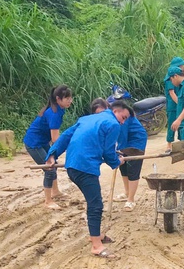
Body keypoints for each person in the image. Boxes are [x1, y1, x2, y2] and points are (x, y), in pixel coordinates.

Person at [44, 101, 131, 258]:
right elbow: (108, 151)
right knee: (96, 205)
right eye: (123, 117)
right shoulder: (113, 124)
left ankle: (96, 234)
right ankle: (96, 246)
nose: (122, 122)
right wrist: (117, 161)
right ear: (115, 111)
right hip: (85, 167)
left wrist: (52, 155)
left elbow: (65, 136)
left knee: (93, 201)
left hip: (72, 166)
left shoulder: (86, 119)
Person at [24, 85, 74, 210]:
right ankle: (48, 201)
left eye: (70, 98)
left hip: (42, 141)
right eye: (67, 98)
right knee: (49, 168)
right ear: (58, 98)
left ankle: (55, 192)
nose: (70, 101)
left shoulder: (58, 109)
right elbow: (55, 139)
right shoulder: (54, 113)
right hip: (34, 143)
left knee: (53, 163)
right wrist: (71, 146)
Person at [115, 102, 148, 210]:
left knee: (133, 171)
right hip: (125, 144)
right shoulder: (116, 117)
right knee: (123, 168)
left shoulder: (124, 118)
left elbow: (122, 135)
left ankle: (131, 200)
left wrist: (117, 150)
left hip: (136, 144)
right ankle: (127, 192)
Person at [164, 57, 184, 154]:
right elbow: (172, 93)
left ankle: (181, 144)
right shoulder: (170, 78)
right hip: (173, 106)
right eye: (181, 65)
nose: (183, 67)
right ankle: (169, 144)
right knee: (172, 125)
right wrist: (180, 104)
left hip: (179, 104)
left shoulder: (181, 77)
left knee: (181, 124)